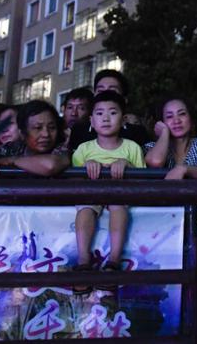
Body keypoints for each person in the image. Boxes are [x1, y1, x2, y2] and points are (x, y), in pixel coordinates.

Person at [71, 90, 146, 294]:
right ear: (91, 121)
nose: (105, 118)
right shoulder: (83, 149)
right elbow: (74, 181)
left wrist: (127, 165)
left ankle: (113, 261)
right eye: (99, 113)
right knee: (85, 208)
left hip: (120, 195)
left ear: (123, 120)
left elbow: (143, 180)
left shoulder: (132, 148)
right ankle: (83, 262)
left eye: (112, 113)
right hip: (90, 194)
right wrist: (86, 167)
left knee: (117, 205)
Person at [0, 100, 70, 176]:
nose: (46, 134)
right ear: (22, 133)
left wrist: (12, 160)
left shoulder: (61, 148)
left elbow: (50, 166)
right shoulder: (13, 147)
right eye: (38, 128)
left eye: (52, 128)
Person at [68, 70, 149, 149]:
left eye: (112, 91)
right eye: (100, 91)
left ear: (125, 99)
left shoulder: (138, 133)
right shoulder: (78, 131)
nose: (105, 95)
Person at [144, 96, 197, 180]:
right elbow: (155, 162)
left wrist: (183, 169)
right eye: (169, 116)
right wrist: (164, 132)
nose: (176, 121)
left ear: (191, 119)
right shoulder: (151, 147)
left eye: (182, 114)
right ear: (161, 122)